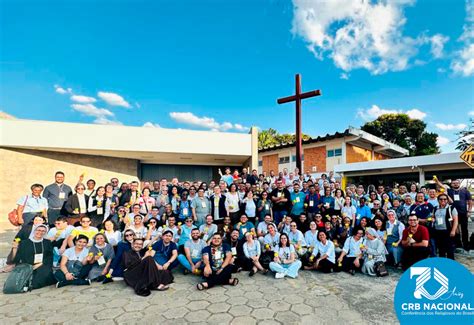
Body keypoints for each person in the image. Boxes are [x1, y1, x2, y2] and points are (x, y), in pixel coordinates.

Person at [10, 224, 56, 290]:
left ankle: (30, 286)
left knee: (44, 274)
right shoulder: (24, 243)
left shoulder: (47, 242)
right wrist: (14, 249)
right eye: (38, 230)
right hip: (27, 265)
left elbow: (50, 256)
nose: (40, 232)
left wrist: (40, 264)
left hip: (42, 264)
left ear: (45, 233)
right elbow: (16, 259)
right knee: (28, 274)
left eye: (43, 231)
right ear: (34, 231)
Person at [447, 179, 472, 252]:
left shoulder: (465, 191)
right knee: (455, 229)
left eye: (457, 183)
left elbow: (470, 201)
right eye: (453, 183)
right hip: (453, 213)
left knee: (464, 229)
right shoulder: (449, 191)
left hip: (463, 213)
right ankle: (458, 244)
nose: (455, 184)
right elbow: (442, 187)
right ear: (451, 184)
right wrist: (437, 181)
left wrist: (469, 211)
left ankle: (466, 245)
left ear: (459, 183)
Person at [433, 194, 458, 259]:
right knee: (441, 250)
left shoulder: (451, 208)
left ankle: (451, 264)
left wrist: (453, 230)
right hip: (438, 231)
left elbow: (456, 221)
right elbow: (433, 217)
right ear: (438, 200)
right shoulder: (435, 208)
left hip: (448, 231)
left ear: (447, 200)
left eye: (445, 199)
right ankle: (443, 265)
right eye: (441, 199)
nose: (443, 200)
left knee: (450, 249)